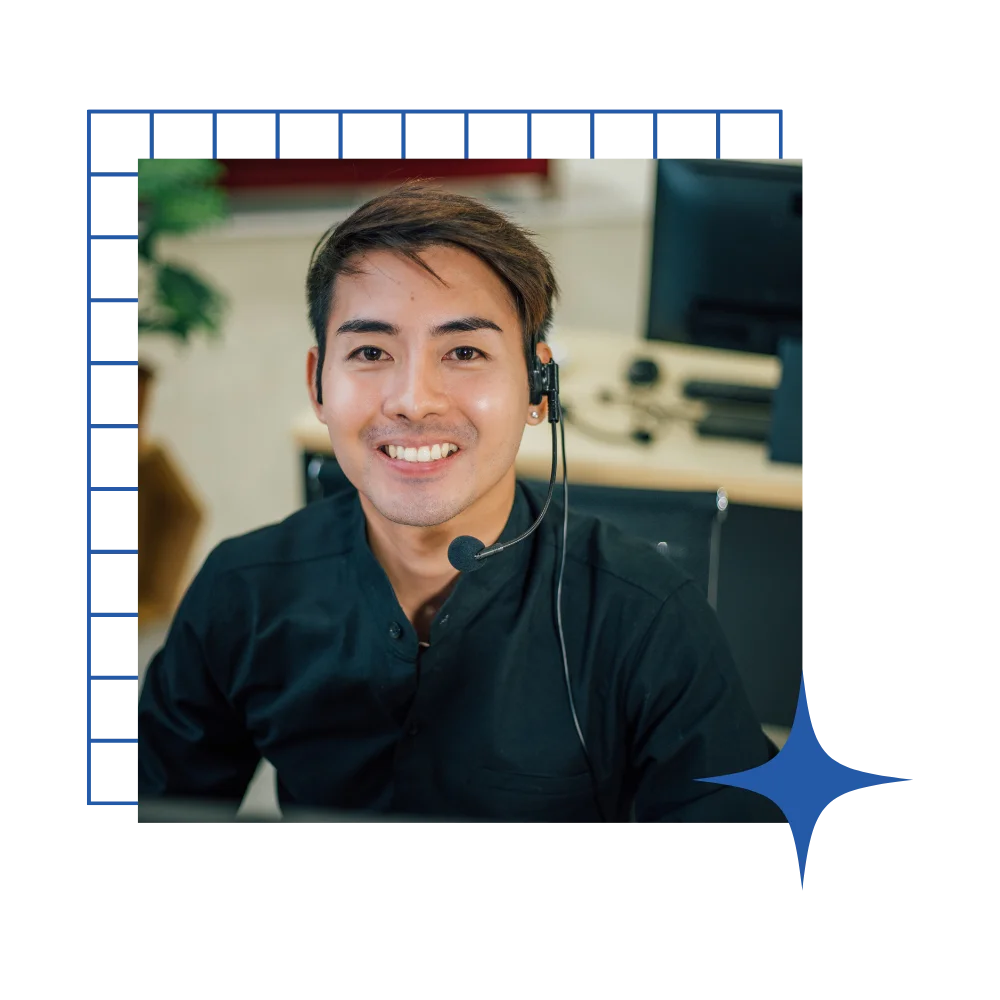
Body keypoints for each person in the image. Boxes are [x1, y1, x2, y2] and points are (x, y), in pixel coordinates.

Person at [136, 180, 781, 824]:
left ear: (538, 388)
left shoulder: (648, 621)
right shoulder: (243, 594)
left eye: (465, 351)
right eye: (370, 351)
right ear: (318, 385)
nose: (414, 400)